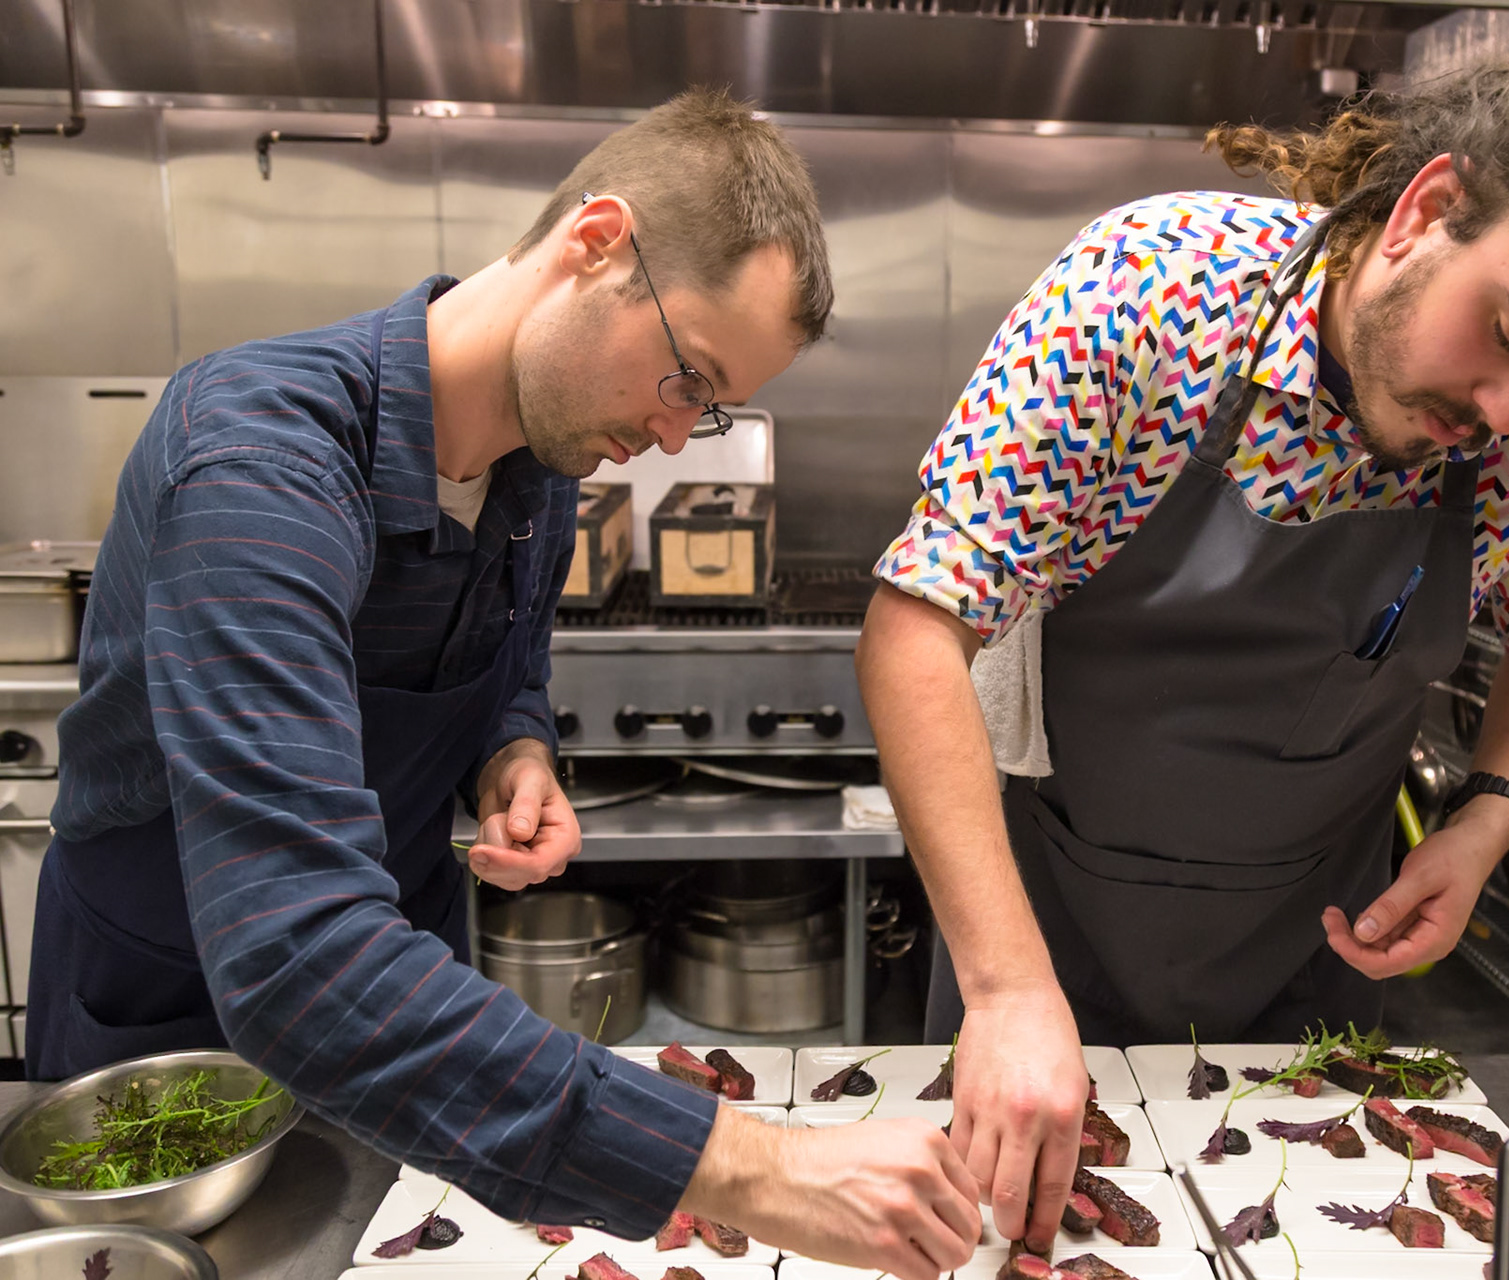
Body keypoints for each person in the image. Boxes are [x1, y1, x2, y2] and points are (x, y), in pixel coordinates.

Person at [856, 0, 1509, 1251]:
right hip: (1044, 928)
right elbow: (915, 625)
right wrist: (1002, 987)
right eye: (1506, 337)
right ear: (1429, 209)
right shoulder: (1149, 296)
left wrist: (1488, 822)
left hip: (1314, 959)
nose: (1507, 410)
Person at [32, 88, 978, 1279]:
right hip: (184, 1032)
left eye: (714, 403)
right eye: (688, 375)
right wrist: (754, 1165)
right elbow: (294, 955)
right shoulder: (260, 461)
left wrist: (512, 752)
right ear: (595, 244)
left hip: (404, 1029)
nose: (683, 435)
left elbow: (511, 670)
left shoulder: (539, 470)